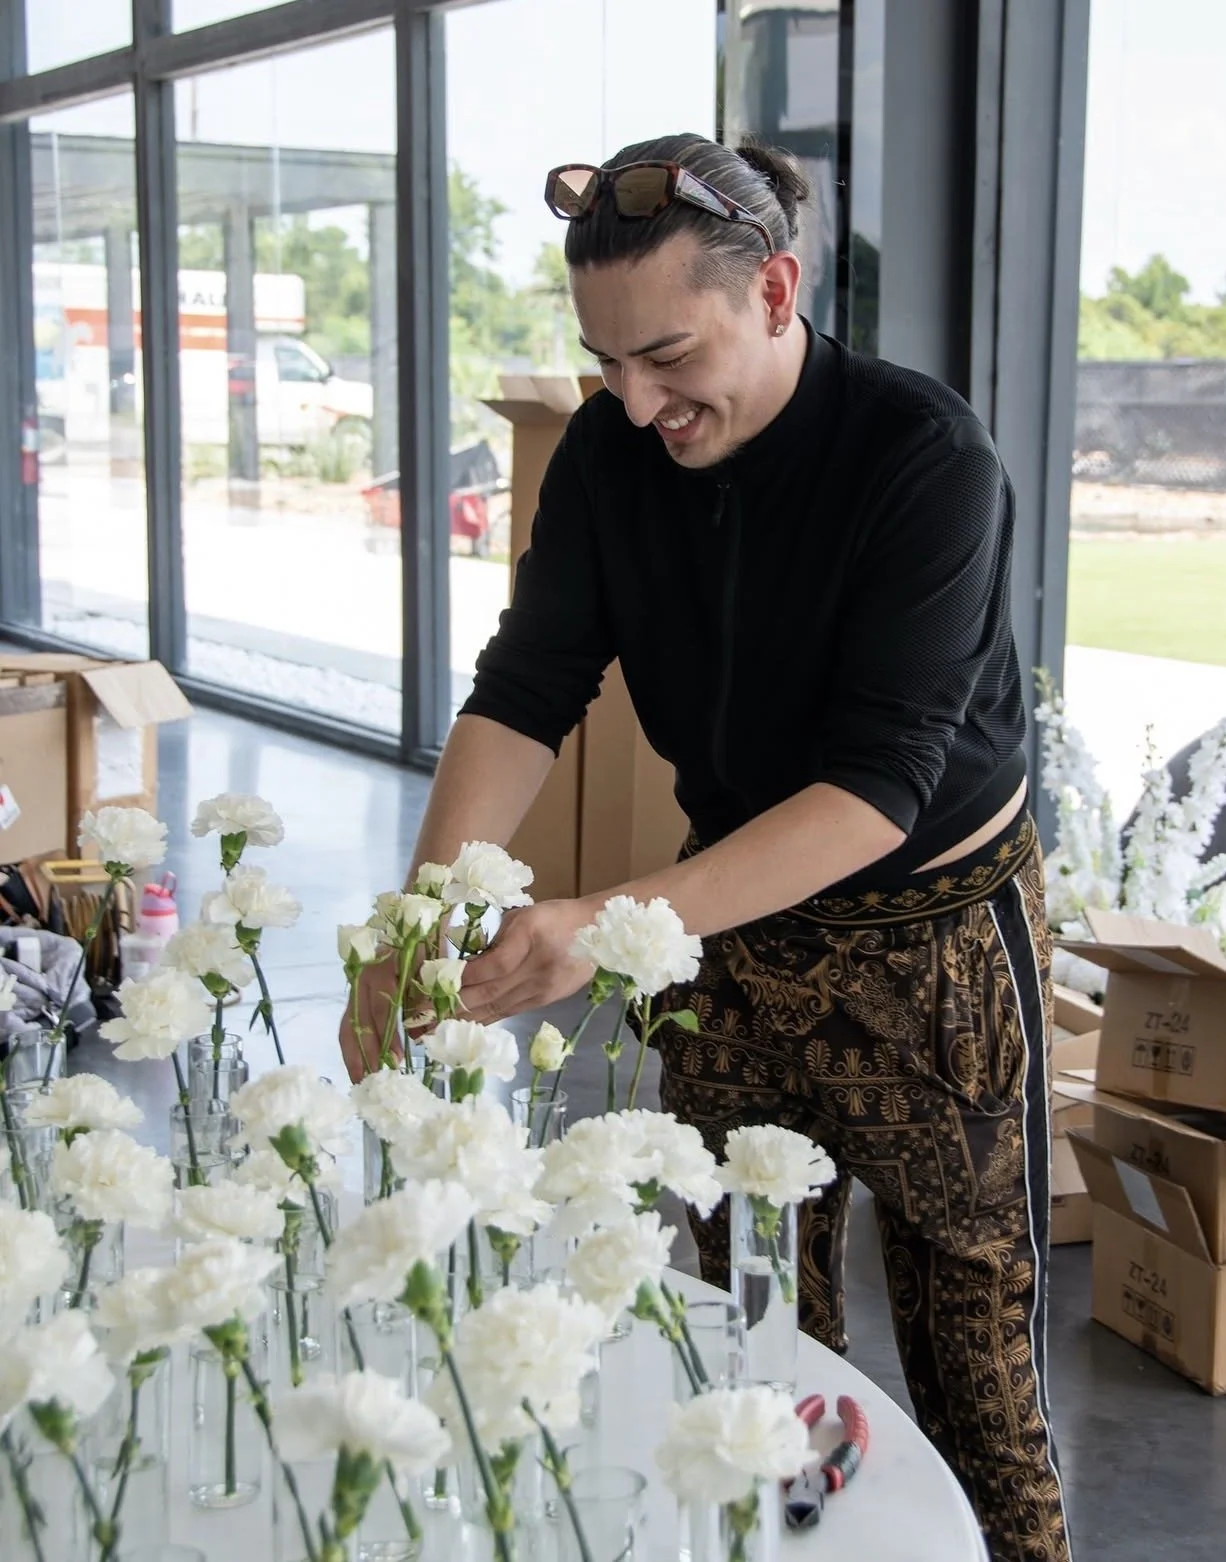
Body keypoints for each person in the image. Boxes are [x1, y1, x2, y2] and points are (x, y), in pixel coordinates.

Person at [342, 132, 1071, 1562]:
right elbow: (527, 684)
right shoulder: (615, 457)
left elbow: (878, 789)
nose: (632, 401)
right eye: (605, 362)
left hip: (935, 947)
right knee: (741, 1346)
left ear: (778, 290)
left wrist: (601, 920)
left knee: (973, 1379)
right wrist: (415, 919)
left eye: (667, 355)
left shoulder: (926, 461)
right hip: (725, 919)